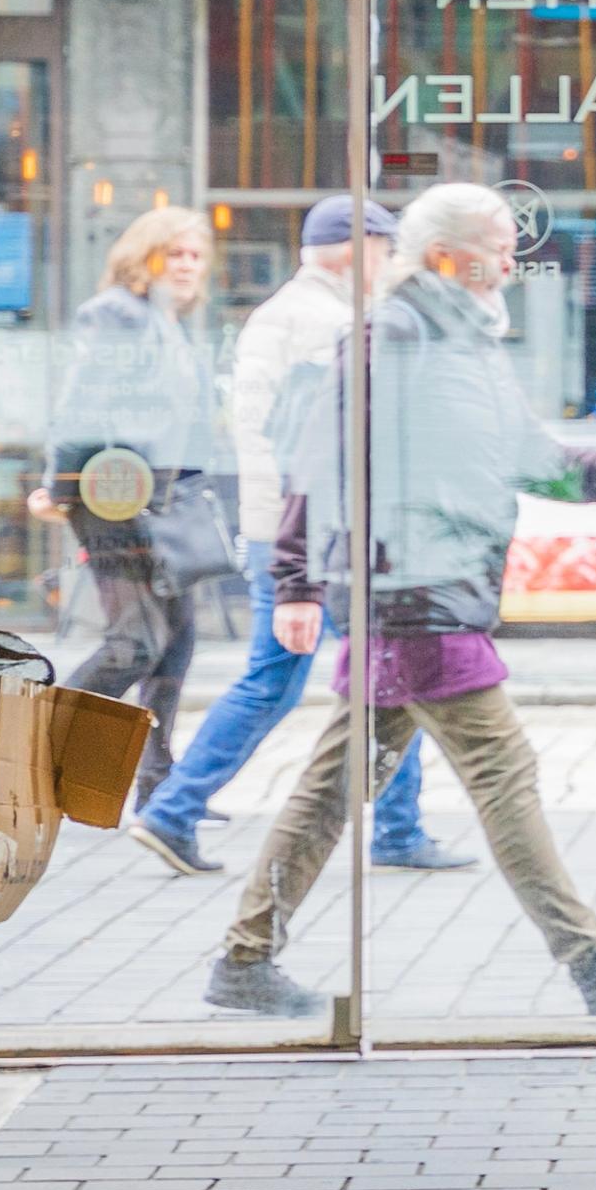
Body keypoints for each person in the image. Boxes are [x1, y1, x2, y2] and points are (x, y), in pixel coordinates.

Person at [206, 184, 596, 1019]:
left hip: (435, 588)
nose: (512, 260)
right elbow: (322, 459)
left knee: (331, 789)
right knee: (505, 774)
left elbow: (518, 450)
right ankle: (590, 958)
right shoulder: (391, 336)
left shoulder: (462, 341)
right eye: (498, 246)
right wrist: (296, 579)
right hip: (412, 594)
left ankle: (245, 959)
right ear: (444, 257)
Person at [126, 197, 459, 878]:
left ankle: (180, 809)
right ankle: (177, 809)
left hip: (289, 535)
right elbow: (320, 448)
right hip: (315, 540)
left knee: (334, 674)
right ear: (352, 247)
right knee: (379, 666)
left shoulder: (292, 314)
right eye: (384, 247)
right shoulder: (327, 322)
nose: (391, 261)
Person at [37, 205, 234, 806]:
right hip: (112, 500)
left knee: (176, 639)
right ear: (142, 256)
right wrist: (61, 485)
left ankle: (156, 784)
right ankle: (35, 752)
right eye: (174, 253)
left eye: (196, 256)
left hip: (159, 502)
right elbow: (81, 405)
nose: (187, 265)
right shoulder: (116, 314)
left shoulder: (169, 322)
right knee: (136, 643)